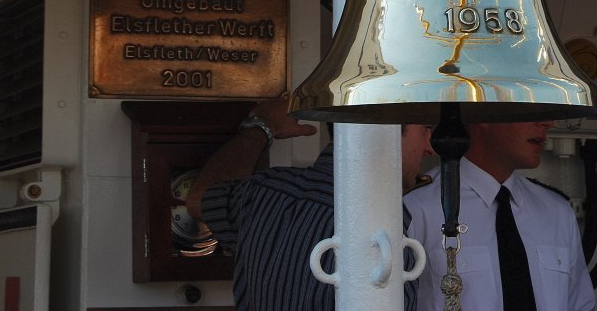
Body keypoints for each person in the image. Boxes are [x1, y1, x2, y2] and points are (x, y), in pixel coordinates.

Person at [186, 94, 434, 311]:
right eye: (425, 129)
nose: (429, 148)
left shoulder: (262, 194)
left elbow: (199, 199)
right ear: (387, 128)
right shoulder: (385, 224)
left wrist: (260, 127)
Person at [403, 120, 596, 311]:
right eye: (525, 106)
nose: (547, 122)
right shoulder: (416, 209)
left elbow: (580, 304)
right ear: (485, 113)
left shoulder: (556, 211)